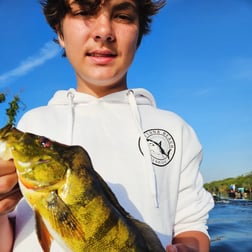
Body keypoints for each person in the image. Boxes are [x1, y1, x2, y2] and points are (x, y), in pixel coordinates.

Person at [0, 0, 214, 251]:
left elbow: (192, 227)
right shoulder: (33, 123)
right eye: (84, 12)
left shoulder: (175, 130)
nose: (104, 31)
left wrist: (189, 247)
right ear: (60, 32)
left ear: (139, 33)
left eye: (122, 16)